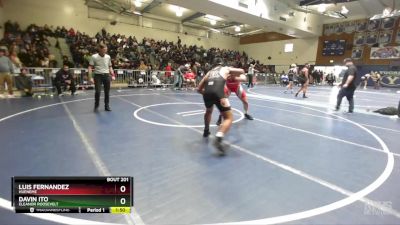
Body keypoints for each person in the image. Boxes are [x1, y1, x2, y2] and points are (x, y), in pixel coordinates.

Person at [197, 57, 244, 155]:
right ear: (221, 64)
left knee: (208, 111)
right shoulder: (225, 68)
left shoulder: (209, 72)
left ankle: (206, 131)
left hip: (207, 93)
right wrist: (232, 72)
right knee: (228, 118)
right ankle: (219, 136)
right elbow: (241, 71)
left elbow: (198, 89)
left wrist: (207, 94)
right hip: (219, 93)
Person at [89, 43, 115, 112]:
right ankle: (96, 105)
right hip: (98, 76)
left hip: (106, 75)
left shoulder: (108, 57)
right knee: (98, 91)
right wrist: (90, 77)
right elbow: (90, 67)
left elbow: (110, 66)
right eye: (104, 50)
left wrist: (113, 75)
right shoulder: (94, 57)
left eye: (106, 50)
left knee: (107, 92)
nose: (105, 51)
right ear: (100, 49)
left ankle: (107, 105)